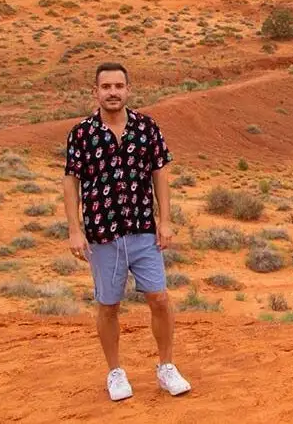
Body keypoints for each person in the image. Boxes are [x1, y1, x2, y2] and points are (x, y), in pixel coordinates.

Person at [62, 61, 192, 401]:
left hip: (142, 230)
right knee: (108, 305)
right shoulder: (81, 134)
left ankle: (166, 367)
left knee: (159, 298)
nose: (113, 92)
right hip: (103, 234)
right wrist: (74, 230)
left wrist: (165, 220)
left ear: (128, 89)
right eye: (106, 87)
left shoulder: (146, 128)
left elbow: (159, 173)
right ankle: (115, 372)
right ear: (96, 91)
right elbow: (71, 182)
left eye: (118, 86)